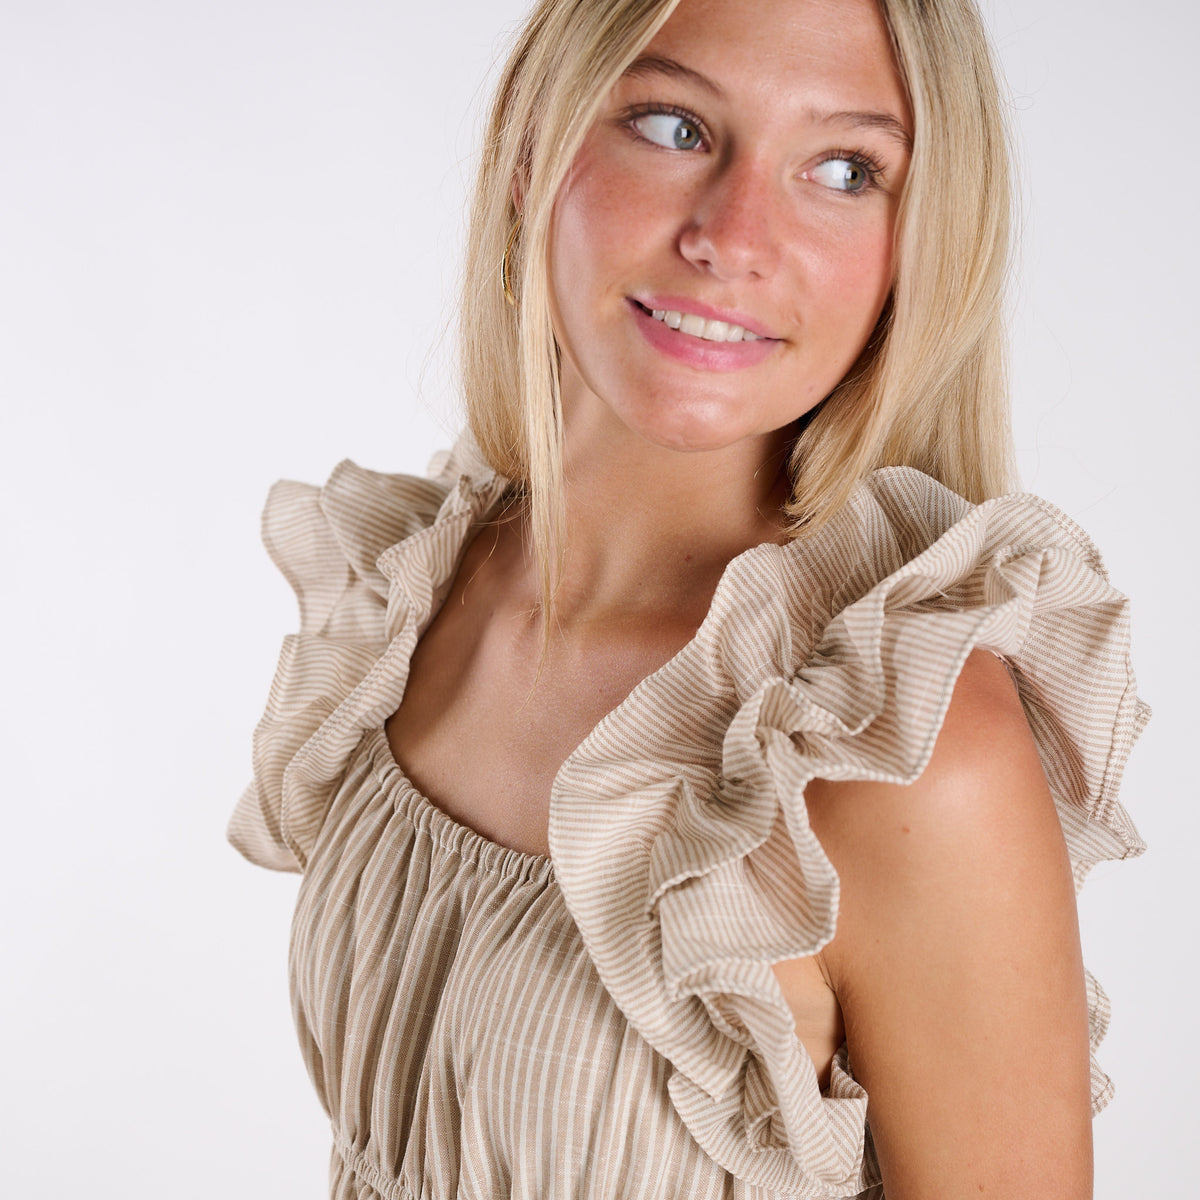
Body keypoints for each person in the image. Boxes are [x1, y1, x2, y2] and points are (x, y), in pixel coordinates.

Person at [228, 0, 1147, 1194]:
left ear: (921, 242)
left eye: (843, 168)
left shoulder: (897, 747)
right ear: (530, 150)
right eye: (672, 125)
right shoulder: (425, 586)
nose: (735, 235)